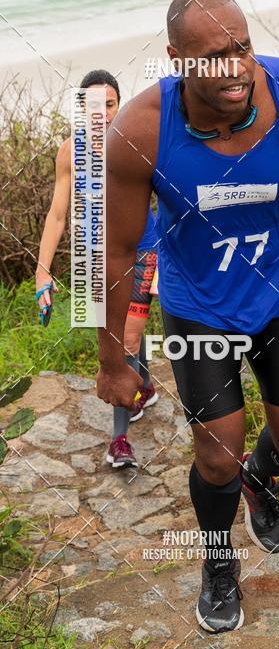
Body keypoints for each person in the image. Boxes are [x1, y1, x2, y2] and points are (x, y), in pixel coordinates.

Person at [96, 0, 279, 634]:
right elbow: (115, 252)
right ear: (176, 59)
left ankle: (262, 477)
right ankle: (219, 563)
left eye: (242, 48)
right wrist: (114, 356)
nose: (234, 68)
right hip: (200, 312)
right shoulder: (141, 130)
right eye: (213, 57)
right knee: (215, 457)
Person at [36, 70, 159, 469]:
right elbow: (57, 215)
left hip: (142, 250)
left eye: (108, 105)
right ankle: (146, 386)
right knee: (114, 341)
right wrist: (42, 273)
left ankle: (119, 440)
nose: (101, 114)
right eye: (92, 107)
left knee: (127, 339)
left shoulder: (136, 144)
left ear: (120, 105)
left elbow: (174, 199)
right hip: (94, 258)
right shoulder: (70, 152)